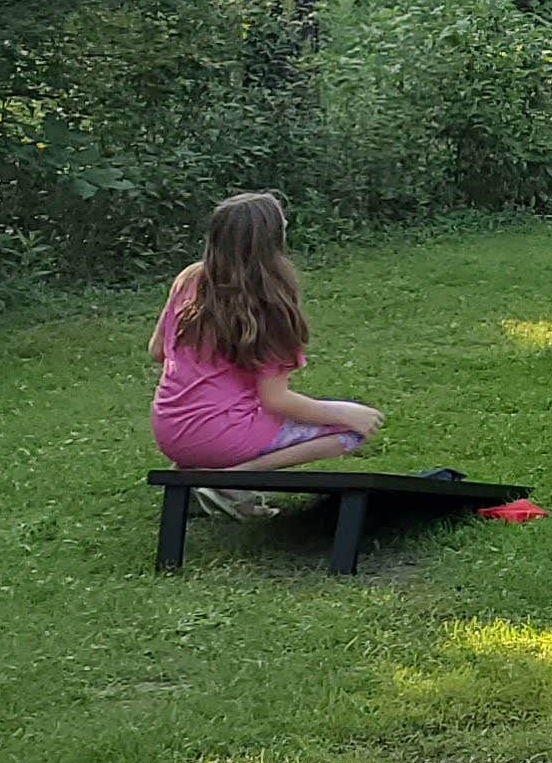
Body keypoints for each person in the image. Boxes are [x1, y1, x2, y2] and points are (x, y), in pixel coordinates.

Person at [151, 191, 381, 521]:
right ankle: (234, 480)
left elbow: (157, 350)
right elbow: (275, 400)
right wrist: (345, 412)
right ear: (270, 241)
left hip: (170, 431)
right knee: (351, 430)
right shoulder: (270, 304)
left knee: (237, 423)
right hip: (222, 436)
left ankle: (201, 473)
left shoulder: (189, 279)